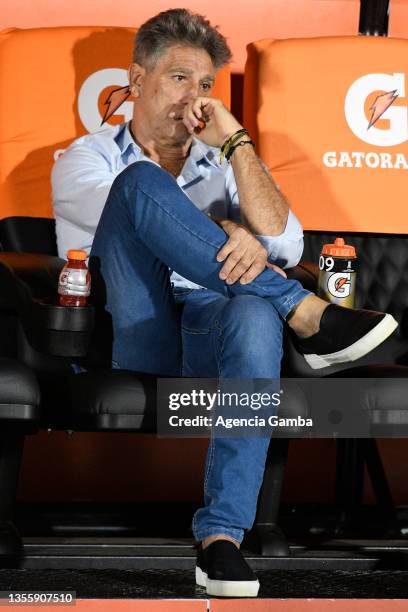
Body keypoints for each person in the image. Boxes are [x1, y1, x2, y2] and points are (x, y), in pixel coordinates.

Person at [52, 9, 398, 597]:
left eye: (207, 85)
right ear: (136, 80)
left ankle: (221, 541)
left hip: (213, 321)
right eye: (180, 78)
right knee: (140, 186)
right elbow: (136, 213)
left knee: (253, 312)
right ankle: (306, 312)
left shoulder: (220, 160)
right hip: (135, 326)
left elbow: (285, 242)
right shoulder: (82, 160)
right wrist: (228, 229)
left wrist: (236, 143)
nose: (195, 98)